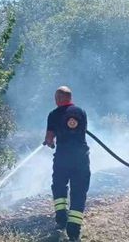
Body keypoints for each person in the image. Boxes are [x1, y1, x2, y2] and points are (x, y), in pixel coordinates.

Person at [43, 86, 90, 242]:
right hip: (81, 159)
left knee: (59, 187)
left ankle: (61, 218)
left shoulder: (53, 114)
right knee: (79, 192)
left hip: (63, 159)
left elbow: (50, 139)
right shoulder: (81, 112)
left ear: (58, 99)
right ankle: (74, 231)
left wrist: (49, 142)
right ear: (70, 98)